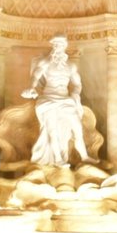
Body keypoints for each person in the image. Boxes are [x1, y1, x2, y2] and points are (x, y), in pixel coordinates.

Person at [21, 36, 90, 166]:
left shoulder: (70, 66)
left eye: (60, 45)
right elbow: (35, 76)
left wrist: (75, 93)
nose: (57, 47)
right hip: (48, 99)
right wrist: (31, 88)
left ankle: (85, 156)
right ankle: (58, 159)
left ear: (64, 46)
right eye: (55, 45)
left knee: (77, 128)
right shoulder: (45, 63)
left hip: (65, 100)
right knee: (52, 130)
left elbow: (77, 84)